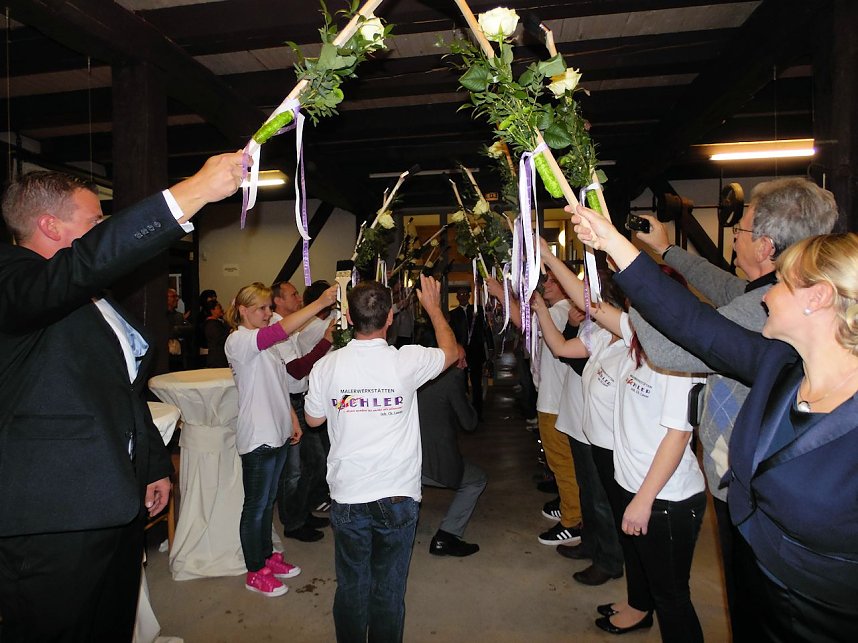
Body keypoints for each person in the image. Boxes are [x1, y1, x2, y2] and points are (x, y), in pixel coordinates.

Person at [573, 203, 858, 641]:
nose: (763, 294)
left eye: (780, 283)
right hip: (757, 586)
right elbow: (694, 325)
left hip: (826, 615)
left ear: (818, 298)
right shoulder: (777, 366)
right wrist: (613, 243)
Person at [0, 152, 244, 640]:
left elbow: (118, 390)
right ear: (49, 225)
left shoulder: (90, 298)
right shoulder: (13, 279)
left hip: (112, 500)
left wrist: (152, 464)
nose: (102, 229)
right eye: (94, 221)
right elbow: (83, 264)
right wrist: (192, 192)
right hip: (53, 519)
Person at [304, 275, 458, 642]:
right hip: (397, 495)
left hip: (348, 494)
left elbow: (313, 420)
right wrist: (435, 309)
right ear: (390, 317)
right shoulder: (407, 360)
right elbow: (452, 353)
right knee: (389, 588)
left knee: (352, 585)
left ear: (350, 318)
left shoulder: (327, 366)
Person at [224, 280, 338, 597]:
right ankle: (255, 570)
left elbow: (279, 384)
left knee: (267, 502)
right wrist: (319, 304)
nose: (267, 313)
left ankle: (266, 557)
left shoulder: (264, 343)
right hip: (258, 435)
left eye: (268, 307)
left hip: (276, 432)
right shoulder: (240, 340)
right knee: (256, 507)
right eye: (261, 308)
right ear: (243, 310)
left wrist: (290, 418)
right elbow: (277, 333)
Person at [271, 280, 335, 543]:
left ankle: (302, 510)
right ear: (278, 301)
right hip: (288, 402)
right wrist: (326, 341)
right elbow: (296, 369)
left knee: (315, 461)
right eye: (293, 294)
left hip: (300, 398)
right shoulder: (276, 329)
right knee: (293, 470)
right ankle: (293, 522)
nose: (298, 297)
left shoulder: (292, 327)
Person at [416, 329, 487, 557]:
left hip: (401, 458)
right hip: (431, 461)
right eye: (462, 359)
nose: (464, 364)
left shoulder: (411, 372)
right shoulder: (451, 379)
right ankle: (446, 537)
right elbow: (469, 422)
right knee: (476, 480)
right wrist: (466, 390)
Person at [449, 284, 490, 419]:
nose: (463, 297)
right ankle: (464, 412)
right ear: (457, 297)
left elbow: (486, 331)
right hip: (461, 353)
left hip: (476, 351)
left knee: (477, 382)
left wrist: (489, 348)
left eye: (465, 294)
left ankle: (478, 412)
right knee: (461, 382)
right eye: (460, 295)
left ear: (469, 295)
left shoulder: (478, 311)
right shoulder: (453, 314)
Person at [202, 299, 229, 368]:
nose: (221, 309)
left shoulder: (217, 322)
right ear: (212, 310)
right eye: (218, 308)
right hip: (217, 358)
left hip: (220, 356)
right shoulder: (211, 325)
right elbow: (219, 339)